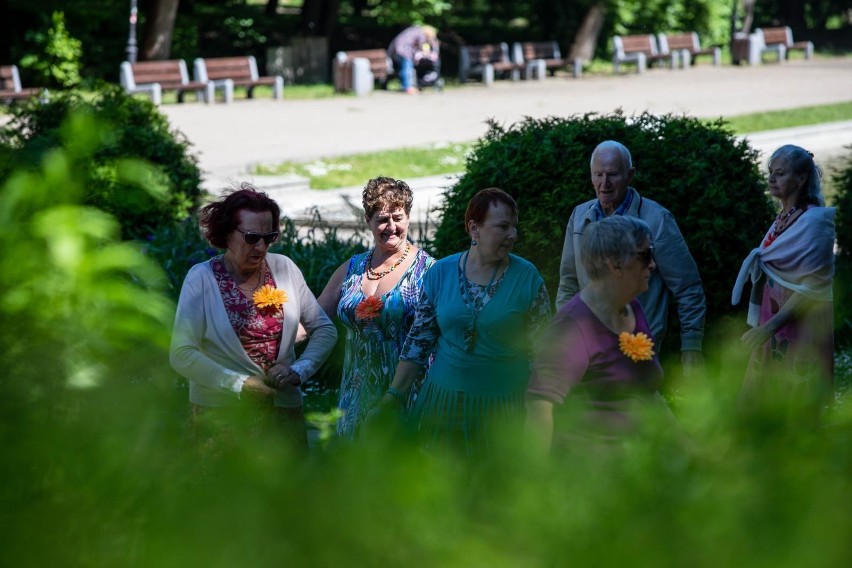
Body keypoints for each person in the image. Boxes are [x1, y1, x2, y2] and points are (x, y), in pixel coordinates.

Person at [374, 188, 552, 457]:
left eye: (514, 227)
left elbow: (546, 354)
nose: (512, 235)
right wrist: (393, 398)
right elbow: (419, 343)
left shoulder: (527, 278)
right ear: (474, 228)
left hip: (504, 410)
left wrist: (540, 415)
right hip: (443, 406)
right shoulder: (440, 273)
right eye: (503, 227)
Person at [170, 184, 337, 454]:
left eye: (268, 237)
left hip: (281, 417)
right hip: (221, 416)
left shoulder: (284, 269)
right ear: (226, 233)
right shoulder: (201, 279)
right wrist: (239, 384)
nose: (261, 246)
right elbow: (181, 353)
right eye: (251, 237)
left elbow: (324, 330)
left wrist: (299, 370)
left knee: (283, 494)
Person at [556, 140, 706, 371]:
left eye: (613, 175)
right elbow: (568, 283)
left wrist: (691, 345)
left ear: (630, 175)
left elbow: (687, 288)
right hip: (590, 349)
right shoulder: (579, 216)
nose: (604, 183)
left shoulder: (657, 220)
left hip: (640, 347)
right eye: (598, 175)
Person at [526, 216, 665, 454]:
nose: (652, 264)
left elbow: (650, 395)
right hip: (590, 479)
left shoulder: (633, 309)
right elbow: (539, 410)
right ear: (615, 265)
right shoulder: (573, 326)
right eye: (645, 255)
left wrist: (691, 450)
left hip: (638, 471)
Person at [317, 177, 435, 438]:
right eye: (382, 219)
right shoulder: (353, 268)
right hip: (355, 394)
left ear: (408, 217)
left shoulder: (429, 270)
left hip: (407, 393)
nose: (391, 226)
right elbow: (313, 319)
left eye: (398, 217)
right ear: (368, 221)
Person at [732, 145, 835, 399]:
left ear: (801, 179)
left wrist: (768, 328)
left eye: (780, 173)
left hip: (801, 327)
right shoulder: (784, 217)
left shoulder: (815, 222)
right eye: (770, 172)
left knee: (795, 402)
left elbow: (813, 288)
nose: (771, 179)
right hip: (774, 321)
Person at [387, 24, 439, 94]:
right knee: (407, 68)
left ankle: (405, 86)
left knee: (404, 69)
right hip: (403, 51)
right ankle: (408, 88)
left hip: (396, 49)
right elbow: (422, 46)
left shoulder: (414, 30)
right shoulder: (420, 32)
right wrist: (427, 52)